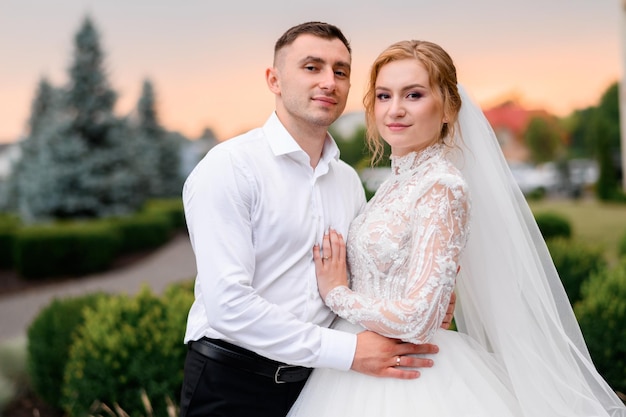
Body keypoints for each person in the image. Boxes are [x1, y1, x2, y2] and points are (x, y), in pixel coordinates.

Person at [287, 40, 626, 417]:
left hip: (409, 379)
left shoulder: (442, 187)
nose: (395, 109)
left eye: (413, 95)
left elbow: (417, 318)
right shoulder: (394, 184)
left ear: (448, 107)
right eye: (384, 95)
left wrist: (337, 293)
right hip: (356, 365)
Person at [179, 23, 455, 417]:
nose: (329, 81)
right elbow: (229, 305)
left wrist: (427, 291)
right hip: (233, 384)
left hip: (322, 388)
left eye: (340, 71)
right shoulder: (230, 168)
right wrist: (348, 351)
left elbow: (360, 274)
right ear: (274, 79)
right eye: (312, 67)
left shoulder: (346, 181)